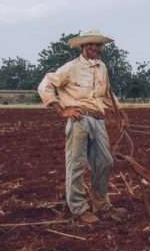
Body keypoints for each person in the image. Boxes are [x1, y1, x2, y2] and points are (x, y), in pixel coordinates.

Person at [38, 30, 129, 224]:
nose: (95, 48)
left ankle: (101, 205)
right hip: (79, 119)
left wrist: (120, 113)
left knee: (105, 162)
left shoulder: (102, 67)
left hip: (98, 119)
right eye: (91, 45)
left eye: (98, 45)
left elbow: (108, 93)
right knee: (77, 164)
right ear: (83, 47)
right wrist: (61, 110)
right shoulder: (71, 68)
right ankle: (79, 209)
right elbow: (45, 84)